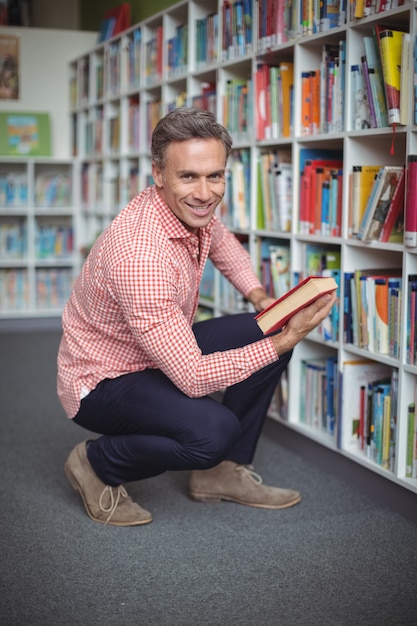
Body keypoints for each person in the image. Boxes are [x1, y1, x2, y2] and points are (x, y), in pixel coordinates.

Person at [57, 107, 336, 526]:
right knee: (213, 432)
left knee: (270, 325)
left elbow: (222, 244)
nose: (205, 193)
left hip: (157, 354)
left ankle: (219, 473)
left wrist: (260, 296)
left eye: (215, 176)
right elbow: (192, 377)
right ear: (159, 174)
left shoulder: (189, 208)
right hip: (104, 380)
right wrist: (285, 340)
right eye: (189, 176)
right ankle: (96, 463)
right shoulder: (140, 255)